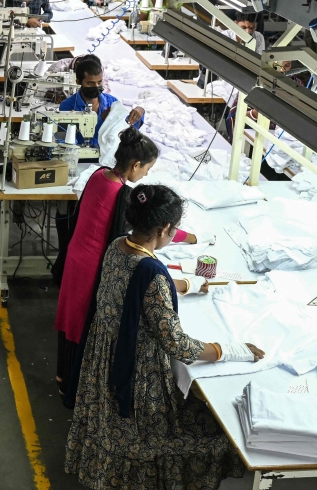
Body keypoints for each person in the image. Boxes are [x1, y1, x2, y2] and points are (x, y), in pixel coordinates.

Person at [64, 184, 263, 487]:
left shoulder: (118, 245)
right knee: (213, 432)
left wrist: (185, 285)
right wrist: (232, 350)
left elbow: (134, 285)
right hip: (135, 372)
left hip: (104, 356)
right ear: (165, 228)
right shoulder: (152, 275)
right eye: (175, 229)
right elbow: (179, 346)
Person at [54, 129, 207, 406]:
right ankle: (74, 388)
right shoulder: (122, 194)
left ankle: (63, 378)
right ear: (136, 165)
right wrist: (192, 238)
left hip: (76, 258)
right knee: (82, 324)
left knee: (70, 320)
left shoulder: (100, 175)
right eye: (147, 169)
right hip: (91, 267)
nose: (146, 175)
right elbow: (148, 228)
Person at [58, 55, 145, 145]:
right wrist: (101, 119)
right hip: (80, 157)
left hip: (108, 156)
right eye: (90, 83)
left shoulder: (111, 102)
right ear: (78, 82)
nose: (96, 86)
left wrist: (140, 111)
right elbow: (67, 140)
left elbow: (127, 127)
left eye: (99, 82)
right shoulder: (67, 106)